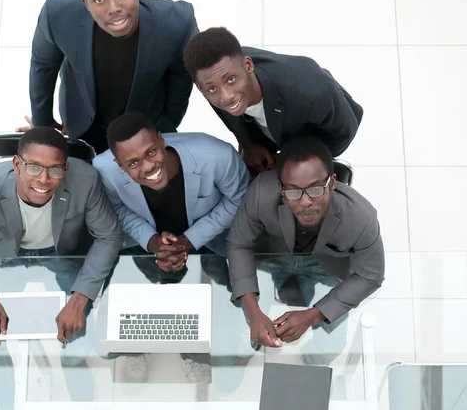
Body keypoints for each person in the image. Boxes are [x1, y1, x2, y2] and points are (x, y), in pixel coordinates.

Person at [0, 127, 122, 409]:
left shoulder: (86, 179)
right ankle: (6, 404)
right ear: (17, 164)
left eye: (55, 170)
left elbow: (109, 236)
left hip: (61, 253)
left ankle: (74, 364)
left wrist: (79, 300)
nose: (44, 180)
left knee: (78, 323)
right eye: (34, 168)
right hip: (6, 256)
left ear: (66, 167)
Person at [93, 111, 250, 383]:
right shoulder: (103, 169)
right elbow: (115, 209)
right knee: (137, 296)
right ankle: (137, 345)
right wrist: (152, 242)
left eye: (152, 152)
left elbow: (239, 199)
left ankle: (201, 354)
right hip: (147, 240)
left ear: (162, 141)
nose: (148, 167)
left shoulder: (217, 155)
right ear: (119, 166)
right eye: (133, 163)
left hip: (208, 238)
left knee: (226, 300)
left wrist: (189, 240)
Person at [24, 0, 198, 154]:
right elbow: (43, 65)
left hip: (142, 128)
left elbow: (182, 77)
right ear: (85, 2)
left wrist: (166, 125)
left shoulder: (177, 21)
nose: (113, 8)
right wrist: (43, 129)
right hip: (80, 124)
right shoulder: (57, 11)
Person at [226, 135, 384, 361]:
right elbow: (238, 243)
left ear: (331, 182)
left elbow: (371, 276)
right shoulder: (262, 191)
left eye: (315, 189)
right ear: (280, 188)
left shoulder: (361, 217)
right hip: (272, 258)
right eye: (293, 191)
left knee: (330, 346)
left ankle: (311, 366)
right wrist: (253, 314)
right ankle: (244, 354)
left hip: (326, 267)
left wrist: (313, 315)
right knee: (237, 329)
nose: (305, 202)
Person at [183, 27, 363, 175]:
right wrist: (249, 144)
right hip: (263, 127)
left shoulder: (312, 94)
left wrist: (296, 158)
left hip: (308, 127)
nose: (226, 97)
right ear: (201, 88)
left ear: (248, 65)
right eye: (212, 89)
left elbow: (345, 131)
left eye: (231, 79)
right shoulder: (212, 80)